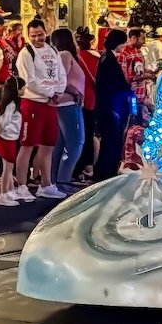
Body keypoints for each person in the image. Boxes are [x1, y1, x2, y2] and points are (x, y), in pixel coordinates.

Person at [12, 18, 66, 203]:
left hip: (50, 104)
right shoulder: (26, 53)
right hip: (33, 103)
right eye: (33, 35)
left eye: (40, 34)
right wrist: (50, 93)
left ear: (46, 32)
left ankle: (46, 184)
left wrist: (58, 92)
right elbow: (29, 80)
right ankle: (21, 186)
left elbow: (61, 74)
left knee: (48, 144)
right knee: (27, 145)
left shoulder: (52, 50)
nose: (37, 38)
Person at [44, 28, 85, 199]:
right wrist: (75, 92)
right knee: (76, 142)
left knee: (59, 145)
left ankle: (53, 181)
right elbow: (62, 80)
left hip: (63, 104)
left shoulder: (59, 56)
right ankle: (63, 180)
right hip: (68, 104)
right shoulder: (65, 55)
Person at [94, 29, 135, 182]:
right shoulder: (108, 60)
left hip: (110, 106)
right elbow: (113, 85)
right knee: (112, 139)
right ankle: (106, 171)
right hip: (111, 107)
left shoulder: (107, 58)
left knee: (112, 139)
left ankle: (107, 169)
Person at [0, 78, 27, 206]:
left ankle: (10, 191)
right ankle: (3, 194)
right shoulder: (11, 104)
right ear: (16, 89)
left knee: (8, 167)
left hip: (10, 138)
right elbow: (3, 121)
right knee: (7, 168)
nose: (24, 90)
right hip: (7, 138)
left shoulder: (13, 104)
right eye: (22, 88)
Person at [73, 27, 100, 185]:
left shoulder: (76, 57)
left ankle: (78, 166)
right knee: (90, 133)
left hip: (76, 99)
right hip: (92, 99)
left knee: (78, 135)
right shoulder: (96, 57)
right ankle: (89, 165)